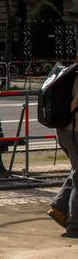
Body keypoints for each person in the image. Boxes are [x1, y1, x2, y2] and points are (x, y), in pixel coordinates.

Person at [48, 55, 78, 238]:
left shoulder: (71, 74)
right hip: (76, 131)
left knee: (77, 171)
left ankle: (59, 207)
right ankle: (74, 226)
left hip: (65, 130)